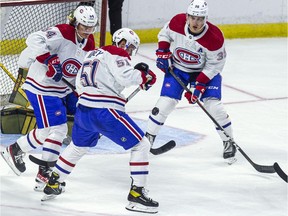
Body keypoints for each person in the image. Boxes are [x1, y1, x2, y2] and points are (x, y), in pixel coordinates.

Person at [42, 28, 159, 213]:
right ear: (122, 43)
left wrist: (138, 80)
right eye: (130, 48)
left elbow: (85, 83)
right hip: (105, 111)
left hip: (83, 111)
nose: (129, 53)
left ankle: (54, 182)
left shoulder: (91, 54)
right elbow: (125, 75)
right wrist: (144, 77)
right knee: (141, 145)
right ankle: (137, 195)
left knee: (77, 147)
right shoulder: (117, 52)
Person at [1, 6, 98, 191]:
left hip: (59, 90)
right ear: (76, 23)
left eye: (91, 27)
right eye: (84, 26)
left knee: (51, 131)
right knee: (57, 129)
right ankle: (41, 169)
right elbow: (33, 38)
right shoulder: (62, 31)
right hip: (41, 86)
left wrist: (81, 89)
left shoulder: (90, 43)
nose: (87, 31)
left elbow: (82, 68)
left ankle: (19, 153)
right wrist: (49, 59)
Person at [145, 0, 237, 163]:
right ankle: (148, 138)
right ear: (187, 16)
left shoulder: (214, 37)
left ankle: (228, 141)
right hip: (179, 68)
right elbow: (164, 34)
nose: (196, 22)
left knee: (214, 107)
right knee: (164, 104)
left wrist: (200, 85)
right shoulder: (177, 22)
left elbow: (215, 65)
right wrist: (163, 52)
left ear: (205, 19)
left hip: (204, 72)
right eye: (193, 18)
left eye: (200, 19)